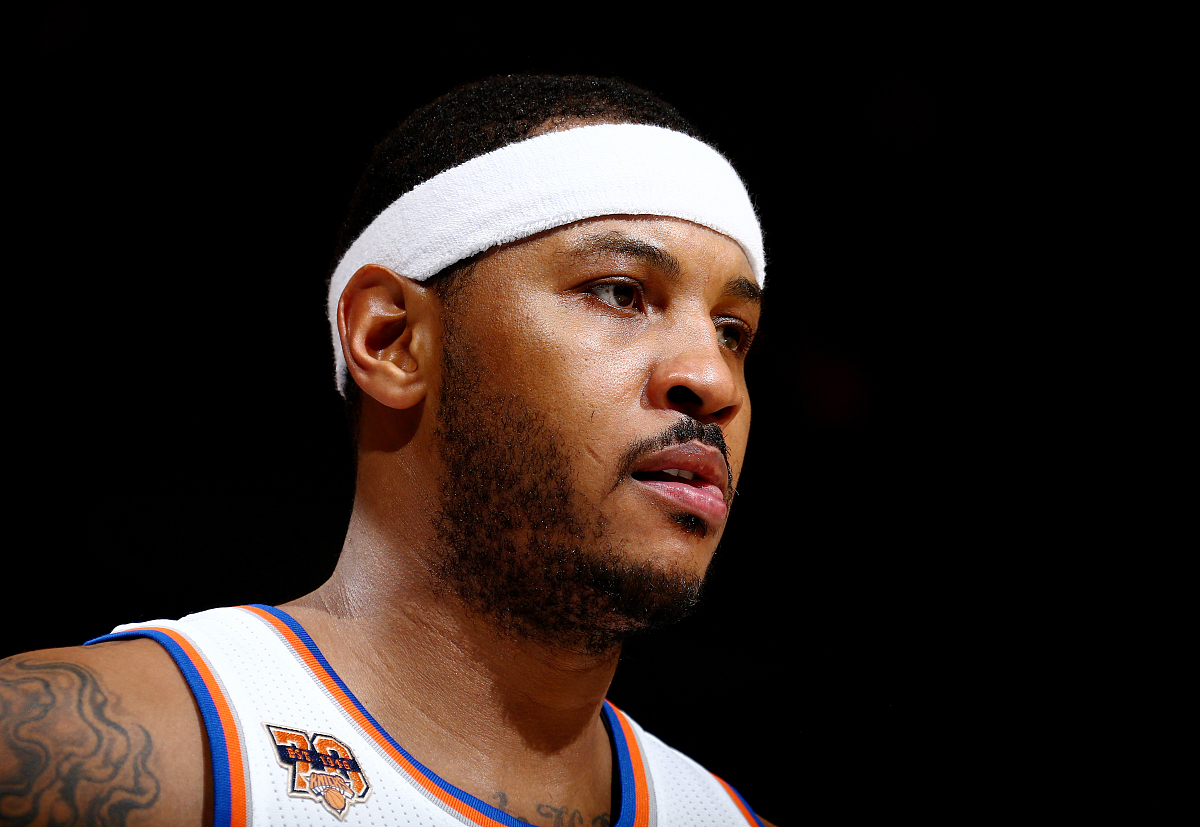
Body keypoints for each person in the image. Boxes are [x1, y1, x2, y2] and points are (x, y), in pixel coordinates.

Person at [0, 75, 775, 827]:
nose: (713, 380)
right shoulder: (72, 745)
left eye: (732, 332)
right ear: (392, 340)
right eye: (619, 292)